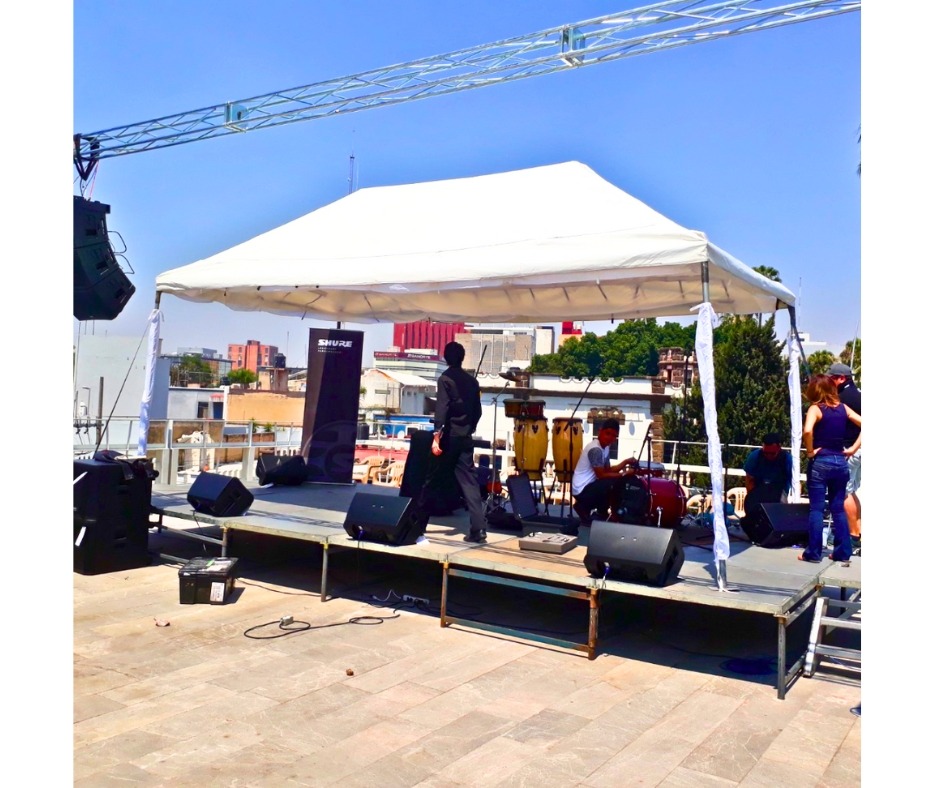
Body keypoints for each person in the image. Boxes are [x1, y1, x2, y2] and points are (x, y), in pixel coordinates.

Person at [422, 341, 488, 543]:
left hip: (449, 438)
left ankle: (415, 524)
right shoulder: (472, 381)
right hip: (465, 438)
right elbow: (478, 411)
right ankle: (478, 529)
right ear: (462, 358)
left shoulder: (445, 379)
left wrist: (436, 437)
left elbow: (441, 409)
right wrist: (470, 427)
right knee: (470, 483)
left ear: (445, 358)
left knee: (431, 481)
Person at [799, 374, 861, 563]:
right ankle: (843, 552)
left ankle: (813, 553)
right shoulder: (843, 408)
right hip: (840, 461)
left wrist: (810, 451)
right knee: (838, 508)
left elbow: (807, 431)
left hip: (821, 461)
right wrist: (853, 448)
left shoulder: (815, 409)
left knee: (817, 509)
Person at [569, 418, 638, 529]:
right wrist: (624, 474)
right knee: (610, 484)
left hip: (591, 485)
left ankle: (602, 513)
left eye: (614, 436)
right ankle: (588, 508)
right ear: (600, 431)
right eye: (608, 434)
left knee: (613, 481)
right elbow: (601, 475)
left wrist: (625, 462)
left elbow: (608, 470)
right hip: (581, 490)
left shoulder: (605, 448)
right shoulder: (595, 449)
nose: (610, 438)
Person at [828, 362, 861, 544]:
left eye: (832, 378)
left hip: (850, 450)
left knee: (843, 493)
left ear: (841, 378)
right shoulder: (858, 394)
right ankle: (858, 531)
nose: (829, 381)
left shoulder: (843, 398)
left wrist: (853, 448)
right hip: (858, 449)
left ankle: (853, 535)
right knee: (851, 491)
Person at [741, 432, 793, 527]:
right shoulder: (755, 457)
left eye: (772, 453)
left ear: (779, 448)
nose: (769, 456)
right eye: (766, 453)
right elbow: (749, 479)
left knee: (779, 522)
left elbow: (794, 482)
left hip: (779, 493)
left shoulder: (787, 459)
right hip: (758, 491)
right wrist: (752, 499)